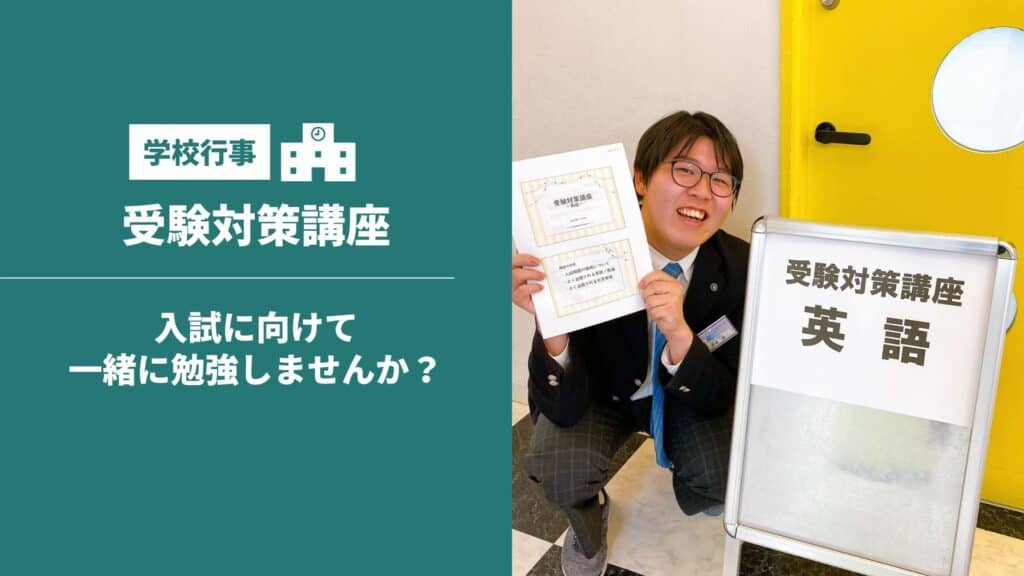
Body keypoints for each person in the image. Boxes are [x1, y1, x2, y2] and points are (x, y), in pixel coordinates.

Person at [512, 110, 749, 576]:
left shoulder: (742, 266)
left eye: (721, 180)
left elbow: (723, 393)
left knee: (729, 474)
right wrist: (552, 325)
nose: (702, 191)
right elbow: (559, 405)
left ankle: (696, 482)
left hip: (684, 392)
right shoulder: (578, 250)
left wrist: (680, 335)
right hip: (601, 392)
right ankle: (588, 523)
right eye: (685, 170)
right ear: (639, 179)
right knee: (559, 468)